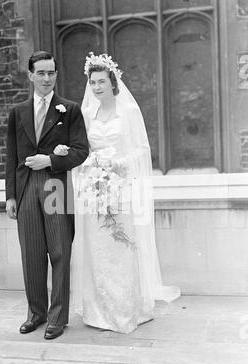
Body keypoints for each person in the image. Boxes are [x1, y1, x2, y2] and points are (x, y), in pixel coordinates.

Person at [67, 53, 179, 334]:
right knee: (98, 249)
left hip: (122, 188)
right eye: (92, 82)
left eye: (101, 81)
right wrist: (89, 167)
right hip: (95, 189)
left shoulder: (127, 110)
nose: (96, 87)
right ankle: (99, 310)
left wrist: (119, 163)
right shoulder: (87, 114)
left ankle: (125, 309)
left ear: (112, 82)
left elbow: (142, 149)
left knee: (122, 246)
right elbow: (84, 150)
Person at [5, 51, 89, 340]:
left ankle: (57, 318)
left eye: (51, 72)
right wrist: (10, 196)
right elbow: (11, 156)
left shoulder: (70, 109)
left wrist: (50, 161)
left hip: (57, 186)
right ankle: (36, 313)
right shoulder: (17, 112)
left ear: (56, 75)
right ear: (30, 75)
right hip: (26, 186)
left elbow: (81, 151)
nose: (46, 78)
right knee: (31, 253)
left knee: (60, 252)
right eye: (40, 73)